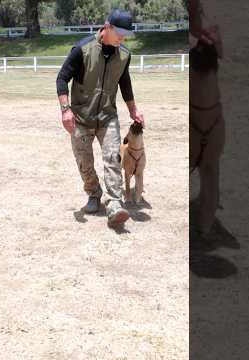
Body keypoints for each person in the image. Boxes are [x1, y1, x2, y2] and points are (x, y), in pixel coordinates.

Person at [56, 9, 145, 226]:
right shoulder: (82, 49)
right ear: (107, 27)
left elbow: (125, 83)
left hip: (107, 117)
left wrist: (133, 110)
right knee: (84, 162)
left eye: (126, 35)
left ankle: (114, 204)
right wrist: (66, 110)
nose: (123, 38)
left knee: (113, 159)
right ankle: (94, 194)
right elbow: (62, 78)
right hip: (80, 117)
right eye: (120, 33)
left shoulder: (124, 54)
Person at [188, 0, 225, 237]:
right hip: (211, 117)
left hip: (198, 114)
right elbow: (220, 52)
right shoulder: (206, 30)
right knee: (211, 169)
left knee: (209, 168)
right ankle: (204, 223)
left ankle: (203, 218)